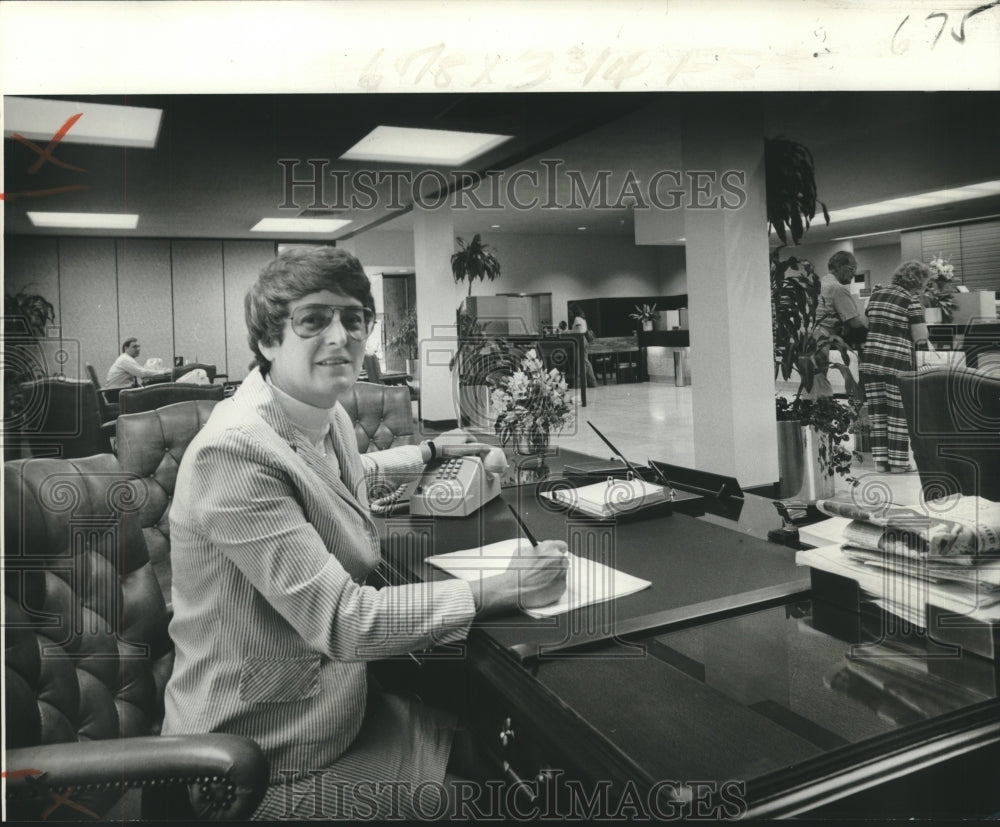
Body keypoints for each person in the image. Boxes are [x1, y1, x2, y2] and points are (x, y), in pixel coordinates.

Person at [161, 246, 568, 820]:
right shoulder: (233, 453)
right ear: (269, 340)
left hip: (326, 708)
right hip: (257, 756)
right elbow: (341, 620)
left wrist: (426, 450)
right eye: (314, 319)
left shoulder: (320, 413)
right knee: (488, 797)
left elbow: (335, 476)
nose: (340, 335)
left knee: (495, 751)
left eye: (354, 319)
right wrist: (504, 586)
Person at [860, 260, 934, 474]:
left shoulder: (876, 294)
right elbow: (920, 337)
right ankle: (899, 463)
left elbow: (869, 324)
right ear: (918, 281)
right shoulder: (910, 299)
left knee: (877, 412)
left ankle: (881, 463)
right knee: (897, 413)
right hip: (897, 362)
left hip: (871, 360)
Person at [809, 251, 868, 397]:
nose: (854, 274)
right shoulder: (838, 289)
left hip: (808, 339)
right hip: (821, 339)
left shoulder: (820, 284)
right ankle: (822, 414)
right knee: (820, 383)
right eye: (851, 269)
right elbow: (855, 323)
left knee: (811, 382)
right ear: (839, 266)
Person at [568, 303, 598, 388]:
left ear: (573, 311)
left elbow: (579, 331)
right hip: (584, 340)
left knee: (580, 363)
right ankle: (592, 382)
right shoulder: (581, 318)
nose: (569, 313)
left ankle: (581, 384)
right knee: (585, 362)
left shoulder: (577, 319)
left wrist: (569, 332)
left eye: (570, 311)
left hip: (580, 340)